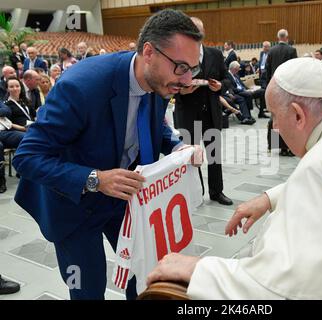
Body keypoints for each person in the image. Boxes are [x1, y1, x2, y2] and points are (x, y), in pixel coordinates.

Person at [146, 57, 322, 300]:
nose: (276, 128)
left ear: (297, 115)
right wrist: (269, 198)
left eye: (274, 117)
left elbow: (282, 289)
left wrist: (201, 270)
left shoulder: (320, 166)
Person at [12, 8, 203, 300]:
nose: (188, 80)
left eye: (193, 69)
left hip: (123, 199)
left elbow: (149, 125)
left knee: (144, 276)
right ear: (149, 52)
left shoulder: (159, 81)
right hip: (74, 204)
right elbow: (27, 156)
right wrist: (95, 179)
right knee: (87, 288)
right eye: (181, 68)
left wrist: (177, 145)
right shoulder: (81, 86)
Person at [174, 17, 233, 206]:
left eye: (197, 31)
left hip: (210, 113)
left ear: (202, 33)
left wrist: (219, 87)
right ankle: (195, 193)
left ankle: (217, 192)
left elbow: (227, 80)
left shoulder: (215, 54)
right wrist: (181, 90)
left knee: (214, 155)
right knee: (192, 156)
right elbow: (169, 82)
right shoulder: (176, 54)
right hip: (188, 113)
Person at [265, 28, 297, 156]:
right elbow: (295, 69)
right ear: (287, 37)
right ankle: (287, 147)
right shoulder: (292, 50)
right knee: (288, 117)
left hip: (274, 87)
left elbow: (267, 70)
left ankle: (274, 145)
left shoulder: (271, 51)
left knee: (275, 117)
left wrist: (269, 85)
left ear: (278, 37)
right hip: (288, 88)